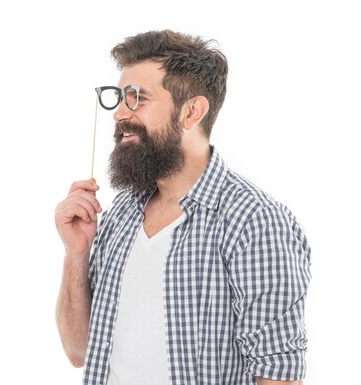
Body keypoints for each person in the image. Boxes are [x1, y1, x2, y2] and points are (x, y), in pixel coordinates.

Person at [54, 30, 312, 385]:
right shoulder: (121, 214)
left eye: (137, 99)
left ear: (192, 111)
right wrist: (76, 254)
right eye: (119, 98)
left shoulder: (254, 221)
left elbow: (278, 373)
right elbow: (78, 351)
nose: (119, 115)